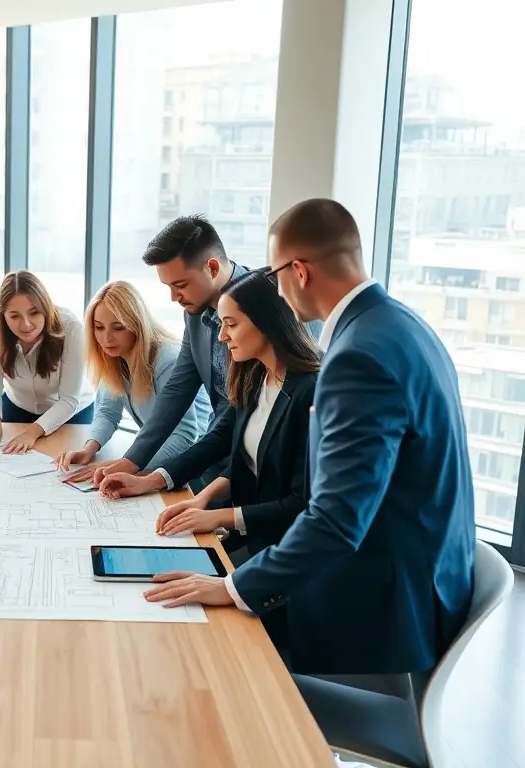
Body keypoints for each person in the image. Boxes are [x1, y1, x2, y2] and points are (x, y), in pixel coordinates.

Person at [144, 198, 476, 677]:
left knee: (199, 647)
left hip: (382, 602)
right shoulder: (402, 324)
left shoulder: (355, 358)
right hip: (429, 576)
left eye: (275, 274)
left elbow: (335, 520)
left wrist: (233, 588)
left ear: (298, 271)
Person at [97, 270, 319, 560]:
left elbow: (299, 502)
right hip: (251, 534)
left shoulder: (310, 392)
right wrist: (153, 482)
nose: (223, 336)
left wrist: (219, 517)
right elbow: (226, 444)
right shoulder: (255, 375)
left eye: (231, 324)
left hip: (284, 551)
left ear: (266, 323)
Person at [65, 215, 252, 492]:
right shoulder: (195, 312)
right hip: (217, 451)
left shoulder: (258, 304)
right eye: (168, 287)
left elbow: (243, 408)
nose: (173, 298)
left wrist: (145, 474)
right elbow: (177, 392)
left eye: (180, 285)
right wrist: (130, 462)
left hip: (255, 459)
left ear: (212, 267)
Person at [53, 280, 212, 474]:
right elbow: (107, 412)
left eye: (118, 327)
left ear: (137, 324)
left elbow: (185, 436)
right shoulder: (114, 357)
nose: (106, 338)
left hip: (198, 467)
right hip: (158, 461)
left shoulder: (168, 360)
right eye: (99, 327)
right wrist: (88, 449)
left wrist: (125, 465)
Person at [0, 270, 95, 454]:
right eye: (14, 316)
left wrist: (31, 433)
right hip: (17, 405)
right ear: (3, 315)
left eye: (34, 313)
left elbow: (69, 400)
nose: (26, 324)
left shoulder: (71, 328)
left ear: (45, 308)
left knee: (58, 465)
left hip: (70, 411)